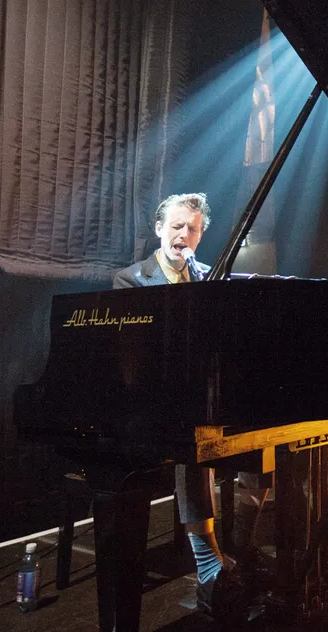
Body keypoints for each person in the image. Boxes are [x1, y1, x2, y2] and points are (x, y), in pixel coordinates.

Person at [112, 193, 265, 620]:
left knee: (265, 428)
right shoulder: (130, 280)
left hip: (203, 394)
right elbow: (130, 356)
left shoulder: (211, 277)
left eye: (193, 229)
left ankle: (242, 539)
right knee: (193, 437)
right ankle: (207, 559)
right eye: (178, 226)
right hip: (151, 405)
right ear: (159, 229)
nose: (185, 234)